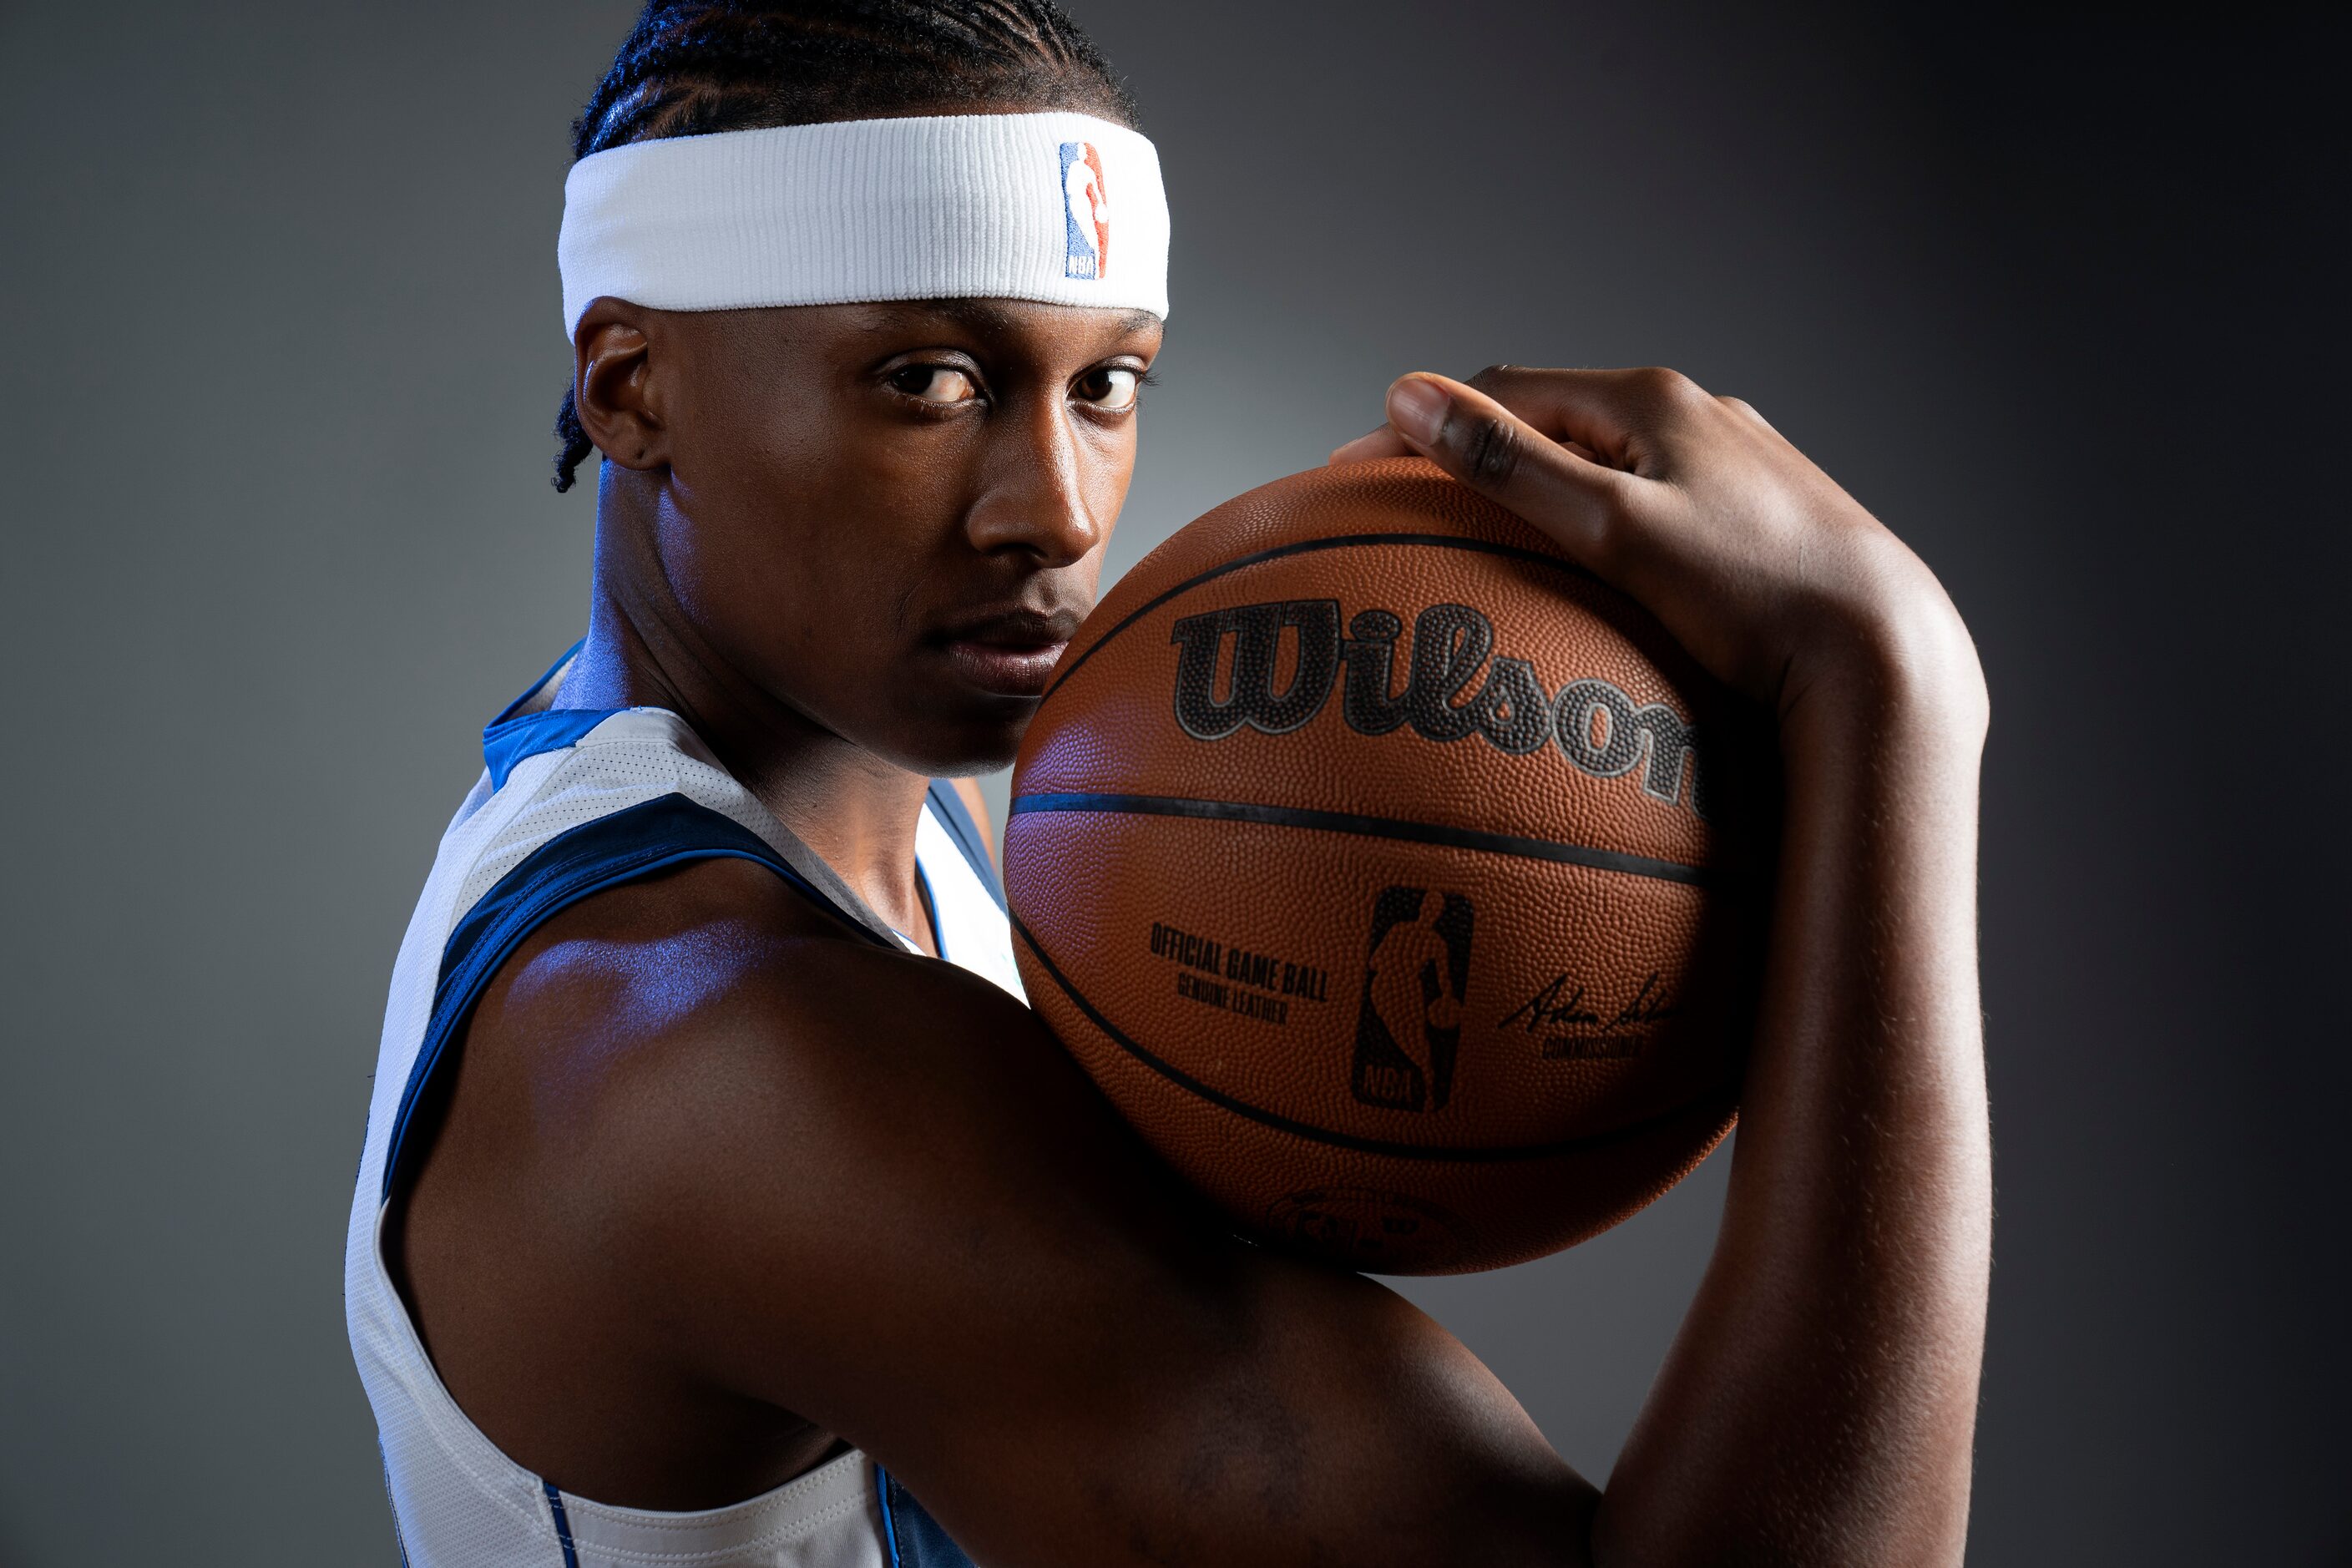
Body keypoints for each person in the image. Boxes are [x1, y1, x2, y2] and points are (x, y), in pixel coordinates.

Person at [344, 3, 1993, 1564]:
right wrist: (1888, 690)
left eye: (1103, 386)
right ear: (632, 390)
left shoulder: (864, 815)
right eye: (928, 379)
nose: (1057, 511)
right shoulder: (721, 1057)